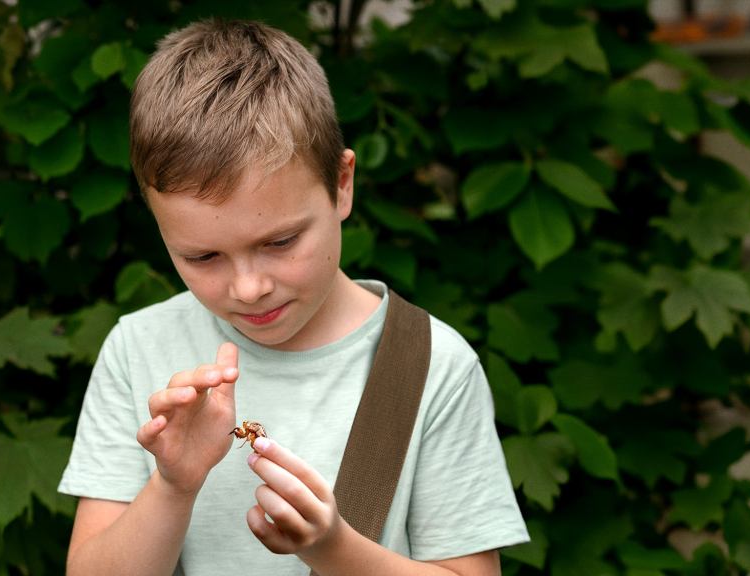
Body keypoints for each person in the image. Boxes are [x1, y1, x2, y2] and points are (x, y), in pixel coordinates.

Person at [58, 18, 529, 576]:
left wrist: (335, 549)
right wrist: (172, 485)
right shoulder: (138, 349)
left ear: (342, 184)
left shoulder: (430, 366)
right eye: (203, 257)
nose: (249, 287)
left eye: (280, 242)